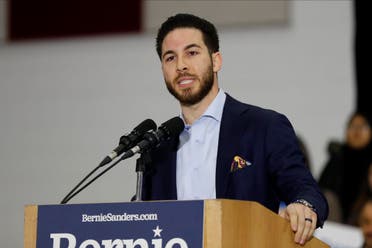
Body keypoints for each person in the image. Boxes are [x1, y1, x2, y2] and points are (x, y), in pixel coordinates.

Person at [142, 13, 328, 246]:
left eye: (192, 52)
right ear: (163, 70)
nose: (181, 65)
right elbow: (144, 218)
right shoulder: (158, 148)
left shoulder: (264, 127)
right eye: (170, 58)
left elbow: (305, 188)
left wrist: (304, 206)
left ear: (216, 60)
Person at [319, 112, 372, 224]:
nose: (357, 131)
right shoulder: (337, 158)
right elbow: (321, 190)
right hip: (333, 223)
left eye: (363, 126)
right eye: (353, 126)